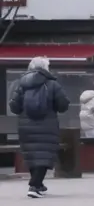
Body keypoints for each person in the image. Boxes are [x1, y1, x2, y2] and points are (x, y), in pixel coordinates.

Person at [9, 56, 70, 198]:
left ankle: (39, 185)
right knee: (44, 155)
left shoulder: (21, 84)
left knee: (32, 155)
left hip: (26, 127)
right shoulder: (52, 84)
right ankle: (34, 185)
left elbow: (14, 107)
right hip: (47, 126)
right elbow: (63, 105)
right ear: (45, 68)